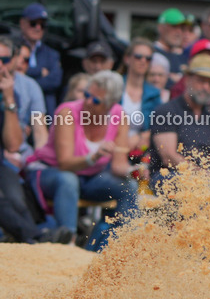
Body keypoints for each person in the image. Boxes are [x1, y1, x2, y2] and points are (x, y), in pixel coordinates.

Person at [24, 71, 138, 243]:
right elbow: (64, 163)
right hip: (50, 172)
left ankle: (117, 244)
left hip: (89, 179)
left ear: (110, 104)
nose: (88, 102)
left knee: (129, 186)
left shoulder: (119, 115)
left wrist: (134, 171)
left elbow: (118, 165)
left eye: (96, 100)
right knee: (68, 179)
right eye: (87, 95)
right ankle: (67, 241)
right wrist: (93, 157)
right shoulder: (67, 112)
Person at [1, 70, 72, 244]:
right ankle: (36, 237)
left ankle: (36, 237)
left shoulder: (12, 94)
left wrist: (9, 100)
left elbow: (14, 144)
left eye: (5, 59)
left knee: (18, 199)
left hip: (4, 164)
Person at [149, 53, 210, 192]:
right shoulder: (166, 112)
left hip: (206, 181)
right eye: (201, 81)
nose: (205, 87)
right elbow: (169, 158)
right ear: (187, 79)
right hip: (171, 177)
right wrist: (204, 177)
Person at [0, 37, 48, 162]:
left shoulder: (28, 87)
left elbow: (40, 130)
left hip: (21, 153)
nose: (0, 64)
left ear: (14, 58)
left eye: (4, 60)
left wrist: (40, 160)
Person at [18, 3, 62, 115]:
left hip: (45, 112)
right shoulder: (13, 48)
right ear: (22, 23)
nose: (38, 28)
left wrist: (25, 77)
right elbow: (11, 72)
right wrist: (39, 72)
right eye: (33, 23)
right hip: (18, 110)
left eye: (42, 25)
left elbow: (54, 81)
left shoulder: (52, 54)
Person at [119, 38, 163, 150]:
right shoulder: (114, 86)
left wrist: (141, 137)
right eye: (138, 57)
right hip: (112, 145)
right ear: (127, 59)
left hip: (140, 149)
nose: (143, 61)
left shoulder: (154, 94)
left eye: (148, 58)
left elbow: (159, 125)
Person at [153, 8, 190, 87]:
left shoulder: (183, 57)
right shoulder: (150, 54)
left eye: (182, 28)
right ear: (161, 28)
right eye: (174, 26)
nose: (179, 32)